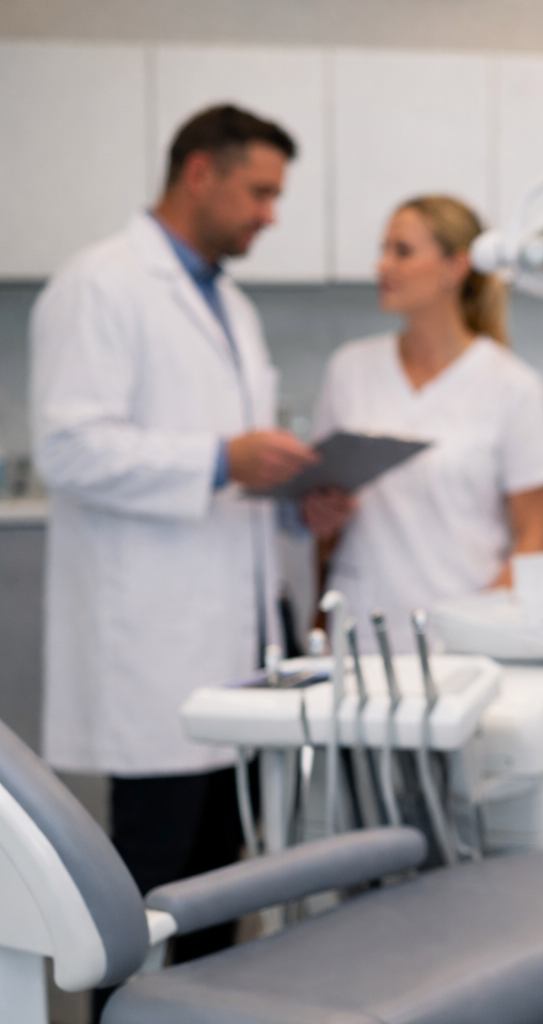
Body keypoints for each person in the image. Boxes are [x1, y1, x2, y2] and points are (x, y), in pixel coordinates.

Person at [31, 105, 315, 966]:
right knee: (148, 893)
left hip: (232, 650)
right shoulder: (101, 284)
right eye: (259, 192)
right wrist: (221, 458)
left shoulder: (227, 300)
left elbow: (232, 464)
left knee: (216, 887)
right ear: (200, 172)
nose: (271, 213)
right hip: (152, 651)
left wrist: (297, 493)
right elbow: (69, 447)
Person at [303, 195, 543, 649]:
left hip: (463, 638)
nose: (382, 266)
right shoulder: (350, 369)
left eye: (402, 251)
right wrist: (320, 514)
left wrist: (483, 630)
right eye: (383, 250)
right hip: (361, 632)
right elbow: (323, 513)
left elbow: (533, 535)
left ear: (455, 267)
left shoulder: (512, 386)